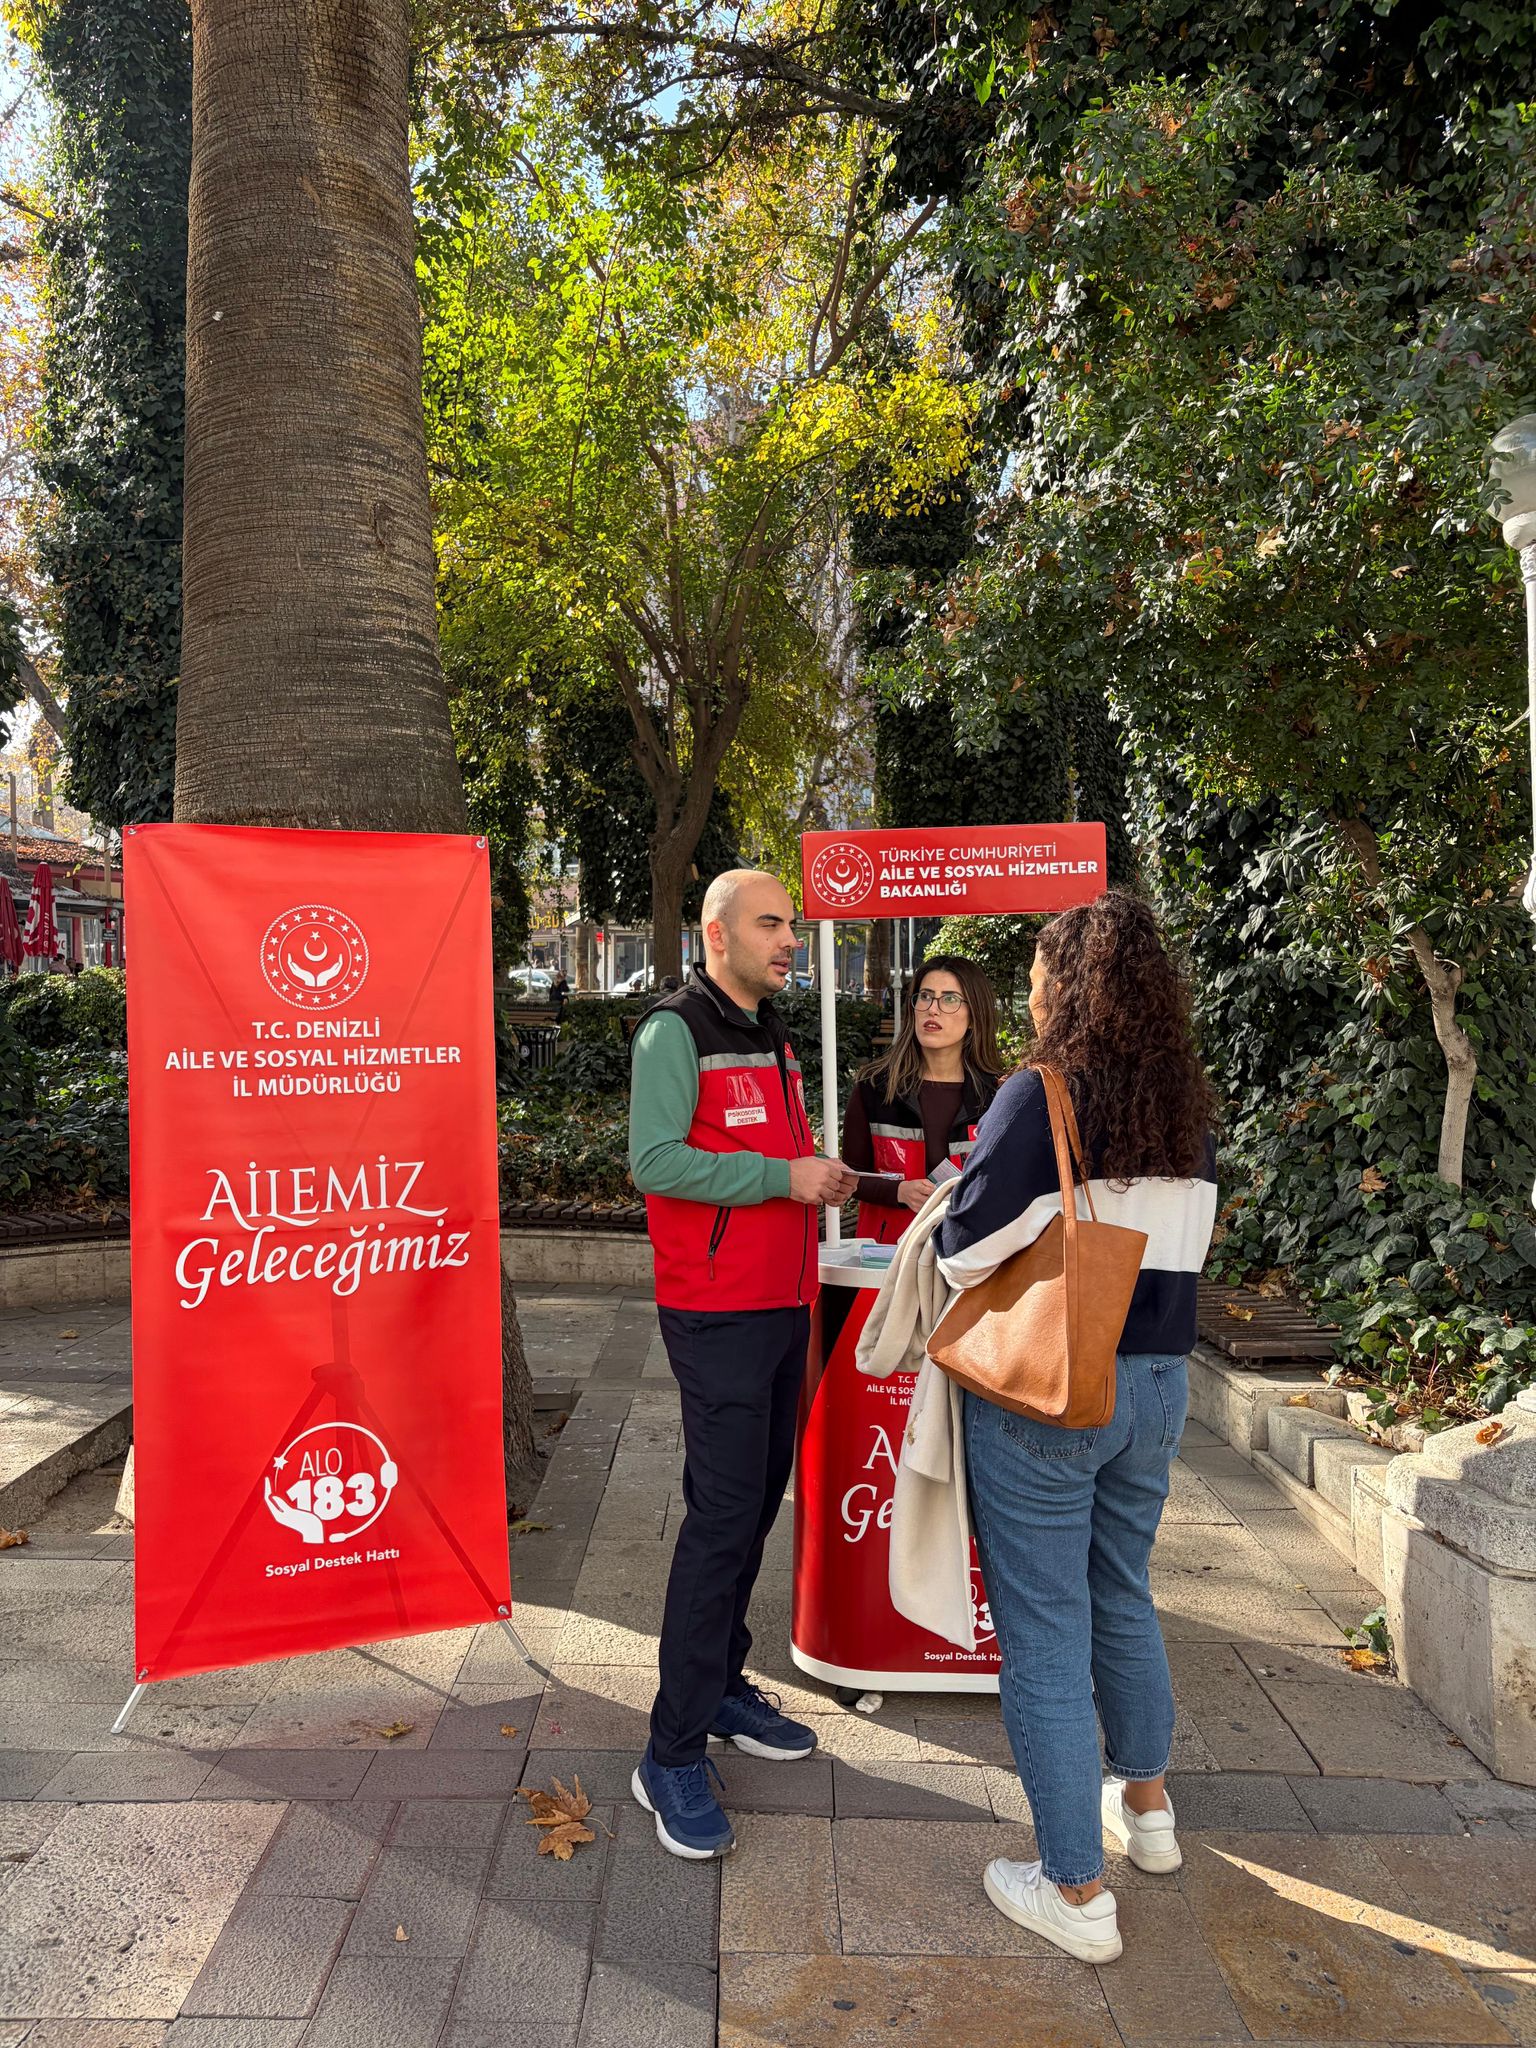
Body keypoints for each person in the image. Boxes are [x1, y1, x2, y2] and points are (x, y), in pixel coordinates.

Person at [935, 891, 1217, 1964]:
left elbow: (965, 1251)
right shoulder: (1185, 1109)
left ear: (1070, 988)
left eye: (1040, 978)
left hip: (1055, 1390)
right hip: (1159, 1383)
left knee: (1045, 1632)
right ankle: (1147, 1810)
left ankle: (1075, 1890)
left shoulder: (1040, 1093)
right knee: (1123, 1591)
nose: (1033, 996)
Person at [628, 869, 858, 1859]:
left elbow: (773, 1152)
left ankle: (720, 1684)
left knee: (755, 1507)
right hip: (717, 1312)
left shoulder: (770, 1029)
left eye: (792, 925)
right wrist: (780, 1177)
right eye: (772, 923)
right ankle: (669, 1753)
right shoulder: (673, 1030)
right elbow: (653, 1160)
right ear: (716, 933)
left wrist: (826, 1175)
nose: (790, 939)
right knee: (722, 1523)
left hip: (781, 1305)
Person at [841, 954, 1003, 1245]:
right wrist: (898, 1192)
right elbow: (850, 1176)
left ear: (974, 1016)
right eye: (925, 996)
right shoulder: (875, 1087)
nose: (933, 1009)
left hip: (970, 1254)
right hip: (890, 1253)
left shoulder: (998, 1094)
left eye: (950, 999)